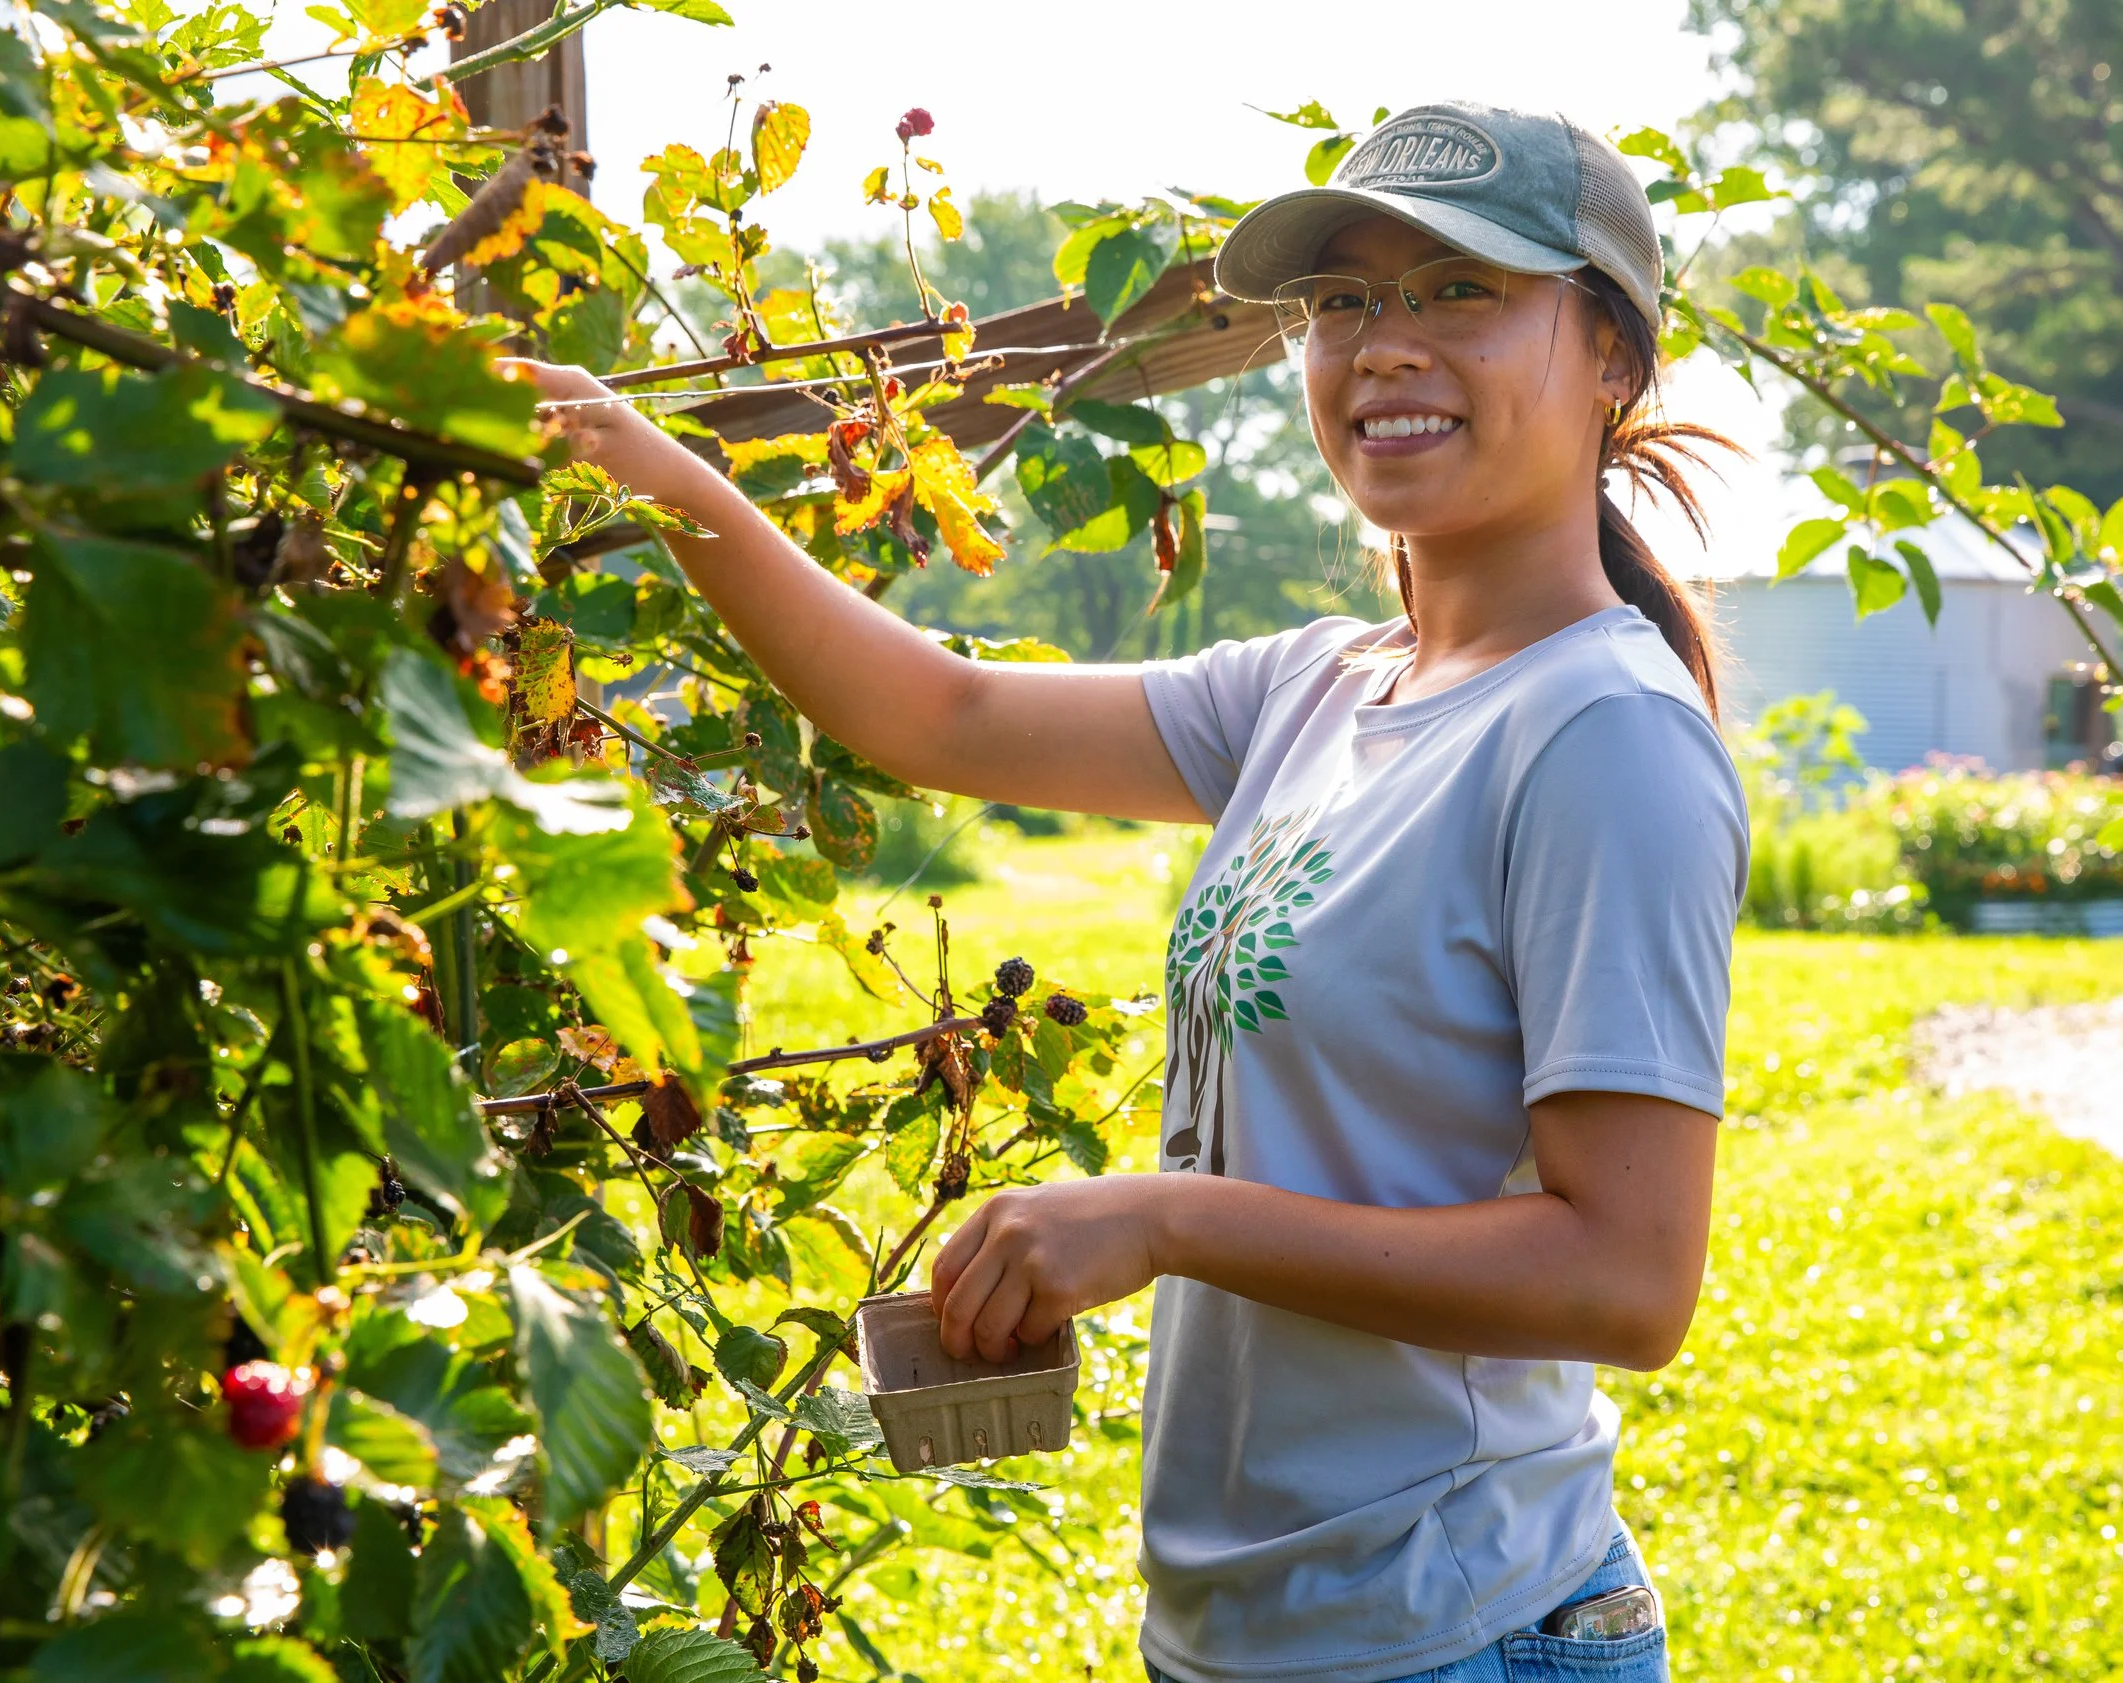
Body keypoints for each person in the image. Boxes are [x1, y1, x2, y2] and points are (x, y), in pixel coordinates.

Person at [512, 100, 1746, 1683]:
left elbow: (1627, 1278)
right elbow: (937, 715)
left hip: (1452, 1629)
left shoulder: (1601, 738)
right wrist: (654, 466)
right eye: (1346, 299)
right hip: (1260, 1623)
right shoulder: (1322, 687)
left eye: (1460, 292)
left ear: (1613, 358)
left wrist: (1164, 1217)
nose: (1384, 346)